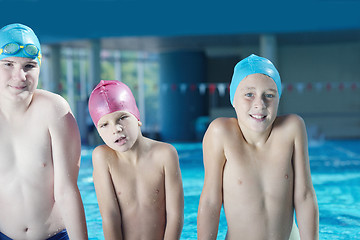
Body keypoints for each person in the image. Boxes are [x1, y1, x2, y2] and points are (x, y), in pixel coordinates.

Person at [197, 54, 319, 240]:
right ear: (233, 99)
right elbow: (210, 202)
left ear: (279, 98)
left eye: (269, 95)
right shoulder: (221, 133)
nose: (259, 104)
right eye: (249, 94)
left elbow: (304, 196)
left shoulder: (292, 128)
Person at [0, 23, 88, 240]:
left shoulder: (54, 110)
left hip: (54, 236)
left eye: (29, 66)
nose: (19, 76)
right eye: (8, 64)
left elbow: (67, 191)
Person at [88, 80, 184, 239]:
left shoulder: (165, 154)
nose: (116, 129)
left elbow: (175, 215)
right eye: (104, 124)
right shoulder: (103, 158)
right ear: (98, 131)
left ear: (137, 118)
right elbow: (110, 217)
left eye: (122, 117)